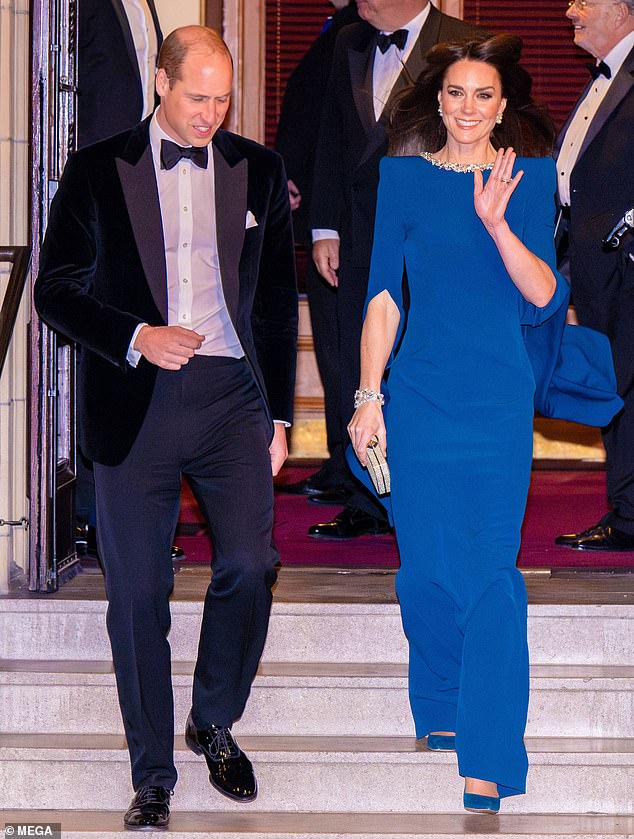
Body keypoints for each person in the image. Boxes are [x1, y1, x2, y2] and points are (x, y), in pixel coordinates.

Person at [347, 34, 620, 813]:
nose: (468, 109)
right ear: (438, 102)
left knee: (493, 571)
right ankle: (437, 700)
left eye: (484, 96)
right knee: (427, 570)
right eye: (457, 94)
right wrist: (369, 394)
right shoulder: (401, 179)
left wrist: (498, 223)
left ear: (503, 107)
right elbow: (381, 296)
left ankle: (488, 754)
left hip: (495, 398)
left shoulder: (529, 180)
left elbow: (543, 296)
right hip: (420, 392)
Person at [34, 26, 297, 830]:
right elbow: (53, 290)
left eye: (223, 99)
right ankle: (152, 773)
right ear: (158, 81)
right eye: (196, 97)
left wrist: (281, 410)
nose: (210, 115)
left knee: (251, 564)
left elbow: (275, 301)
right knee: (139, 594)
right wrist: (135, 335)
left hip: (228, 395)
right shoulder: (95, 169)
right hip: (134, 392)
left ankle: (213, 718)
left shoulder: (259, 168)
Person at [308, 0, 484, 538]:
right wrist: (323, 226)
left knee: (425, 361)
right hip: (359, 231)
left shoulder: (462, 37)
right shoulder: (348, 41)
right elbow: (331, 138)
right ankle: (366, 497)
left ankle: (431, 491)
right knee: (356, 358)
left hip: (434, 234)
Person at [553, 0, 634, 552]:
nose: (570, 10)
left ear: (624, 10)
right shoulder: (603, 79)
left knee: (626, 394)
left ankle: (628, 518)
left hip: (625, 267)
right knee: (617, 391)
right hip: (591, 270)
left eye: (585, 0)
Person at [275, 0, 360, 504]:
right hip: (320, 215)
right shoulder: (342, 27)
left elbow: (332, 130)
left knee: (344, 353)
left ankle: (350, 467)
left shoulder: (355, 28)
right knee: (334, 352)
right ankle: (340, 462)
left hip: (342, 220)